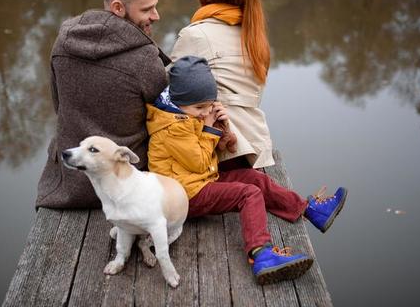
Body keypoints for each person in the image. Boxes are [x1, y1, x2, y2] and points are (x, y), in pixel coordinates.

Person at [146, 56, 348, 284]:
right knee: (248, 193)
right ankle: (261, 253)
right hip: (184, 196)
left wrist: (224, 133)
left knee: (254, 178)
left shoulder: (185, 113)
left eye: (209, 105)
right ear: (178, 101)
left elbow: (209, 154)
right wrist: (210, 127)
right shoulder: (172, 127)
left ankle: (309, 209)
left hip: (200, 180)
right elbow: (200, 162)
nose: (204, 112)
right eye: (199, 107)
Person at [36, 0, 171, 209]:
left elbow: (59, 105)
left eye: (155, 6)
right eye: (147, 9)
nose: (156, 15)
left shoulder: (62, 44)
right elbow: (165, 121)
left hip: (69, 183)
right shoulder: (144, 59)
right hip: (124, 183)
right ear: (118, 8)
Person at [171, 0, 274, 170]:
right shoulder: (256, 39)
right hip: (254, 143)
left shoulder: (196, 34)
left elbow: (169, 88)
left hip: (218, 147)